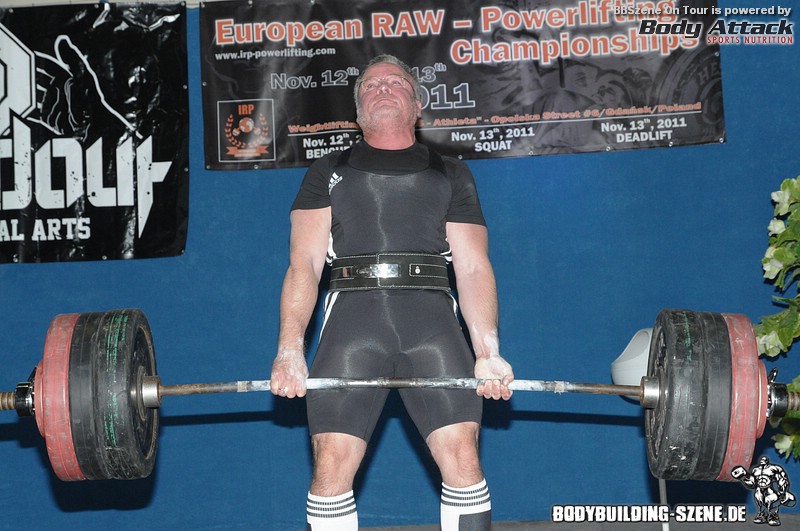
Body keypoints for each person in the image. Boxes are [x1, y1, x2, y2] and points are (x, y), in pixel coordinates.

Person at [269, 54, 514, 531]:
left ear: (418, 105)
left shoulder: (451, 172)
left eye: (395, 82)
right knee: (331, 463)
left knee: (463, 457)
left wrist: (488, 352)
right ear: (358, 110)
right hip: (353, 328)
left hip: (433, 326)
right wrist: (289, 350)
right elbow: (304, 265)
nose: (382, 88)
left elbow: (472, 266)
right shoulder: (327, 170)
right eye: (370, 85)